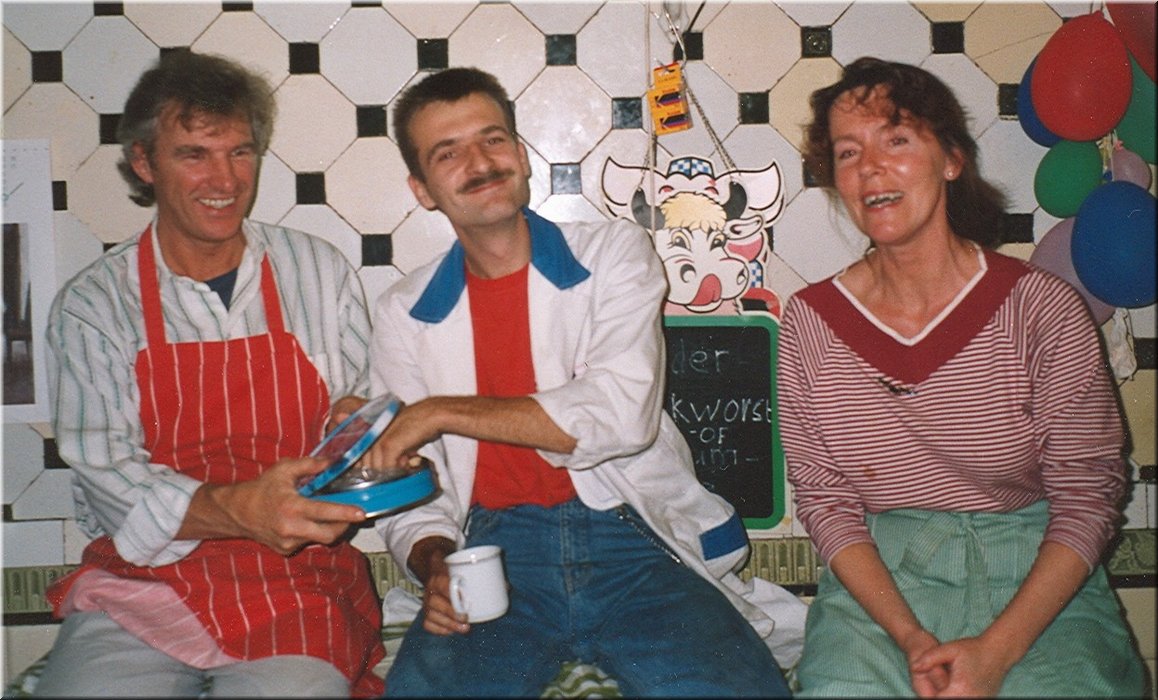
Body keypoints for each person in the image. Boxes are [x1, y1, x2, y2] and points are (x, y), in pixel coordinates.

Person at [367, 66, 791, 697]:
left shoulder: (614, 253)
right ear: (422, 190)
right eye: (447, 153)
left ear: (520, 155)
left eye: (492, 139)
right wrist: (434, 563)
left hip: (635, 542)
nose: (479, 163)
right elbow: (413, 482)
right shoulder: (406, 311)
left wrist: (436, 411)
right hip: (492, 551)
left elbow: (621, 416)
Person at [777, 56, 1148, 698]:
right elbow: (825, 500)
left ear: (951, 158)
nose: (870, 167)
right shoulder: (810, 323)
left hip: (1039, 572)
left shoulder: (1042, 307)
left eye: (896, 139)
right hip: (883, 583)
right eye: (847, 152)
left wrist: (997, 654)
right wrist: (911, 640)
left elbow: (1087, 493)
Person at [35, 50, 385, 698]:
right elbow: (108, 477)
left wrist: (359, 435)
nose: (224, 179)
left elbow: (356, 420)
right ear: (144, 162)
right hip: (142, 585)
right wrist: (241, 509)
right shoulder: (93, 305)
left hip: (296, 580)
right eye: (194, 154)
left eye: (240, 152)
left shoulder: (318, 271)